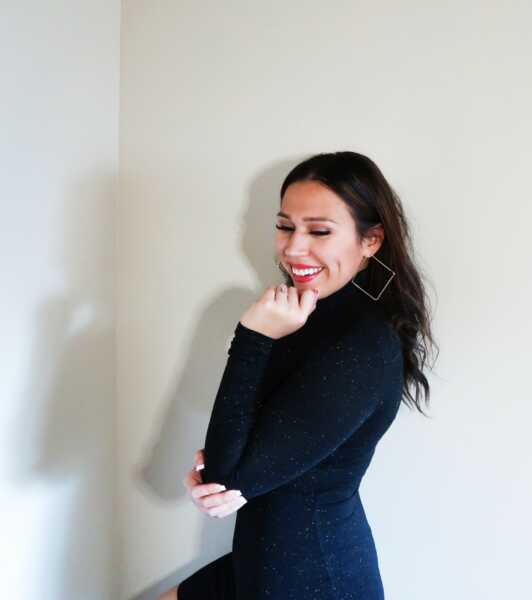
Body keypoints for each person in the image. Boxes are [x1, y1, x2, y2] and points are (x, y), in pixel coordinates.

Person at [158, 151, 436, 600]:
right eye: (286, 226)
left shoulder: (362, 344)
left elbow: (228, 479)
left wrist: (251, 336)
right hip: (262, 562)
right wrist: (216, 464)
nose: (292, 248)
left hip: (314, 577)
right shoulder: (301, 313)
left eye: (319, 231)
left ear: (371, 240)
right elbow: (243, 454)